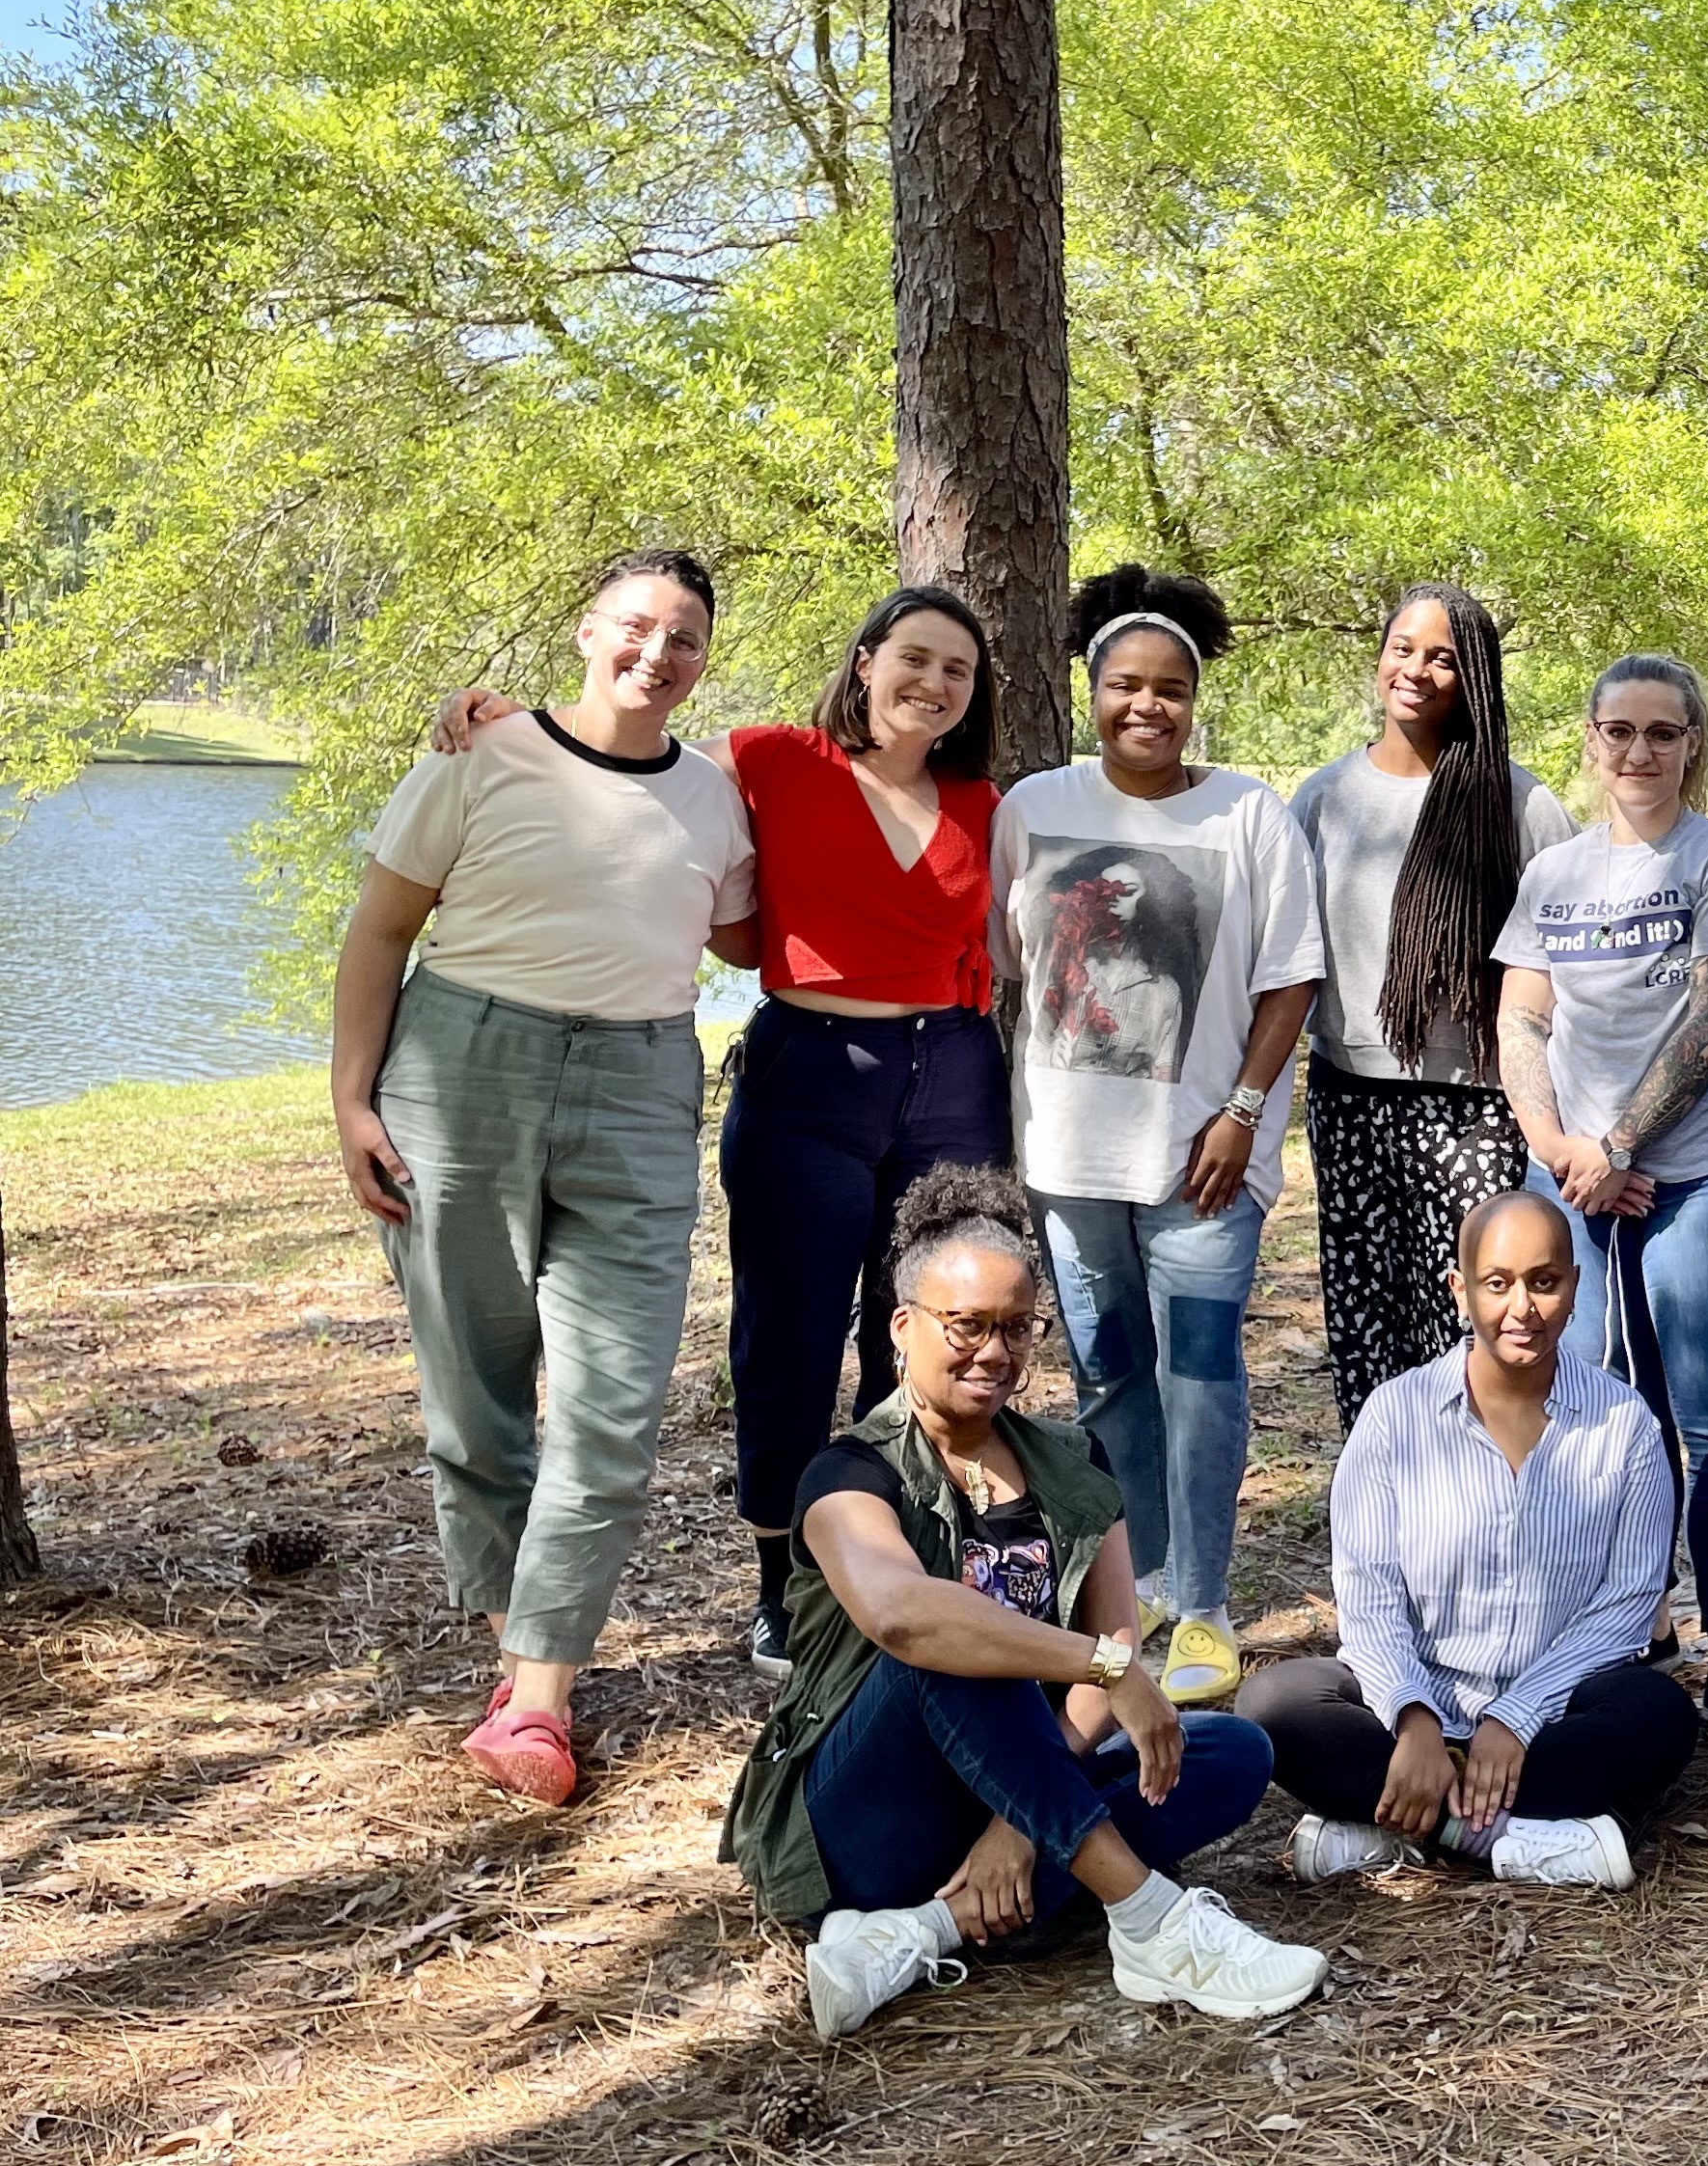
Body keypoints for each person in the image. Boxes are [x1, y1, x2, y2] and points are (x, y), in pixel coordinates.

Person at [425, 589, 1016, 1684]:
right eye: (914, 659)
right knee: (785, 1347)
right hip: (809, 1081)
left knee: (932, 1337)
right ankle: (786, 1591)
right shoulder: (769, 760)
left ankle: (905, 1567)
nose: (933, 685)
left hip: (955, 1082)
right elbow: (623, 758)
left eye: (958, 673)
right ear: (866, 658)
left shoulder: (986, 804)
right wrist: (504, 718)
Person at [332, 550, 758, 1805]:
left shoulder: (717, 798)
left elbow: (750, 924)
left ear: (702, 662)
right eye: (637, 626)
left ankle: (538, 1696)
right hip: (463, 1068)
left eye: (684, 637)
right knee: (475, 1391)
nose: (656, 653)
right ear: (588, 631)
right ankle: (513, 1647)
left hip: (639, 1088)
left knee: (615, 1410)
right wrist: (351, 1099)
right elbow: (380, 928)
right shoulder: (480, 756)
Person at [719, 1165, 1326, 2035]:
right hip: (861, 1813)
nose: (993, 1352)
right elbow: (907, 1617)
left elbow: (1113, 1625)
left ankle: (928, 1929)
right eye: (966, 1325)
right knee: (957, 1639)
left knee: (1230, 1750)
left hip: (1014, 1779)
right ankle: (1152, 1922)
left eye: (1015, 1327)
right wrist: (1104, 1665)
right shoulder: (848, 1473)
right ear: (902, 1326)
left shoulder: (1072, 1460)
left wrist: (1020, 1814)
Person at [995, 565, 1323, 1711]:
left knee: (1200, 1374)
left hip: (1201, 1156)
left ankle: (1206, 1607)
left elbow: (1292, 979)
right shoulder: (1032, 808)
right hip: (1070, 1156)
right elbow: (1007, 973)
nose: (1149, 706)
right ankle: (1130, 1597)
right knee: (1109, 1378)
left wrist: (1241, 1110)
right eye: (1126, 686)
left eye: (1170, 688)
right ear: (1093, 691)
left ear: (1196, 696)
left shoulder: (1247, 812)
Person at [1240, 1191, 1700, 1890]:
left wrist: (1515, 1718)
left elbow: (1628, 1604)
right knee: (1272, 1706)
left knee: (1660, 1717)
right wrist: (1416, 1720)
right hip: (1409, 1716)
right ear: (1460, 1291)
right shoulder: (1397, 1416)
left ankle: (1400, 1828)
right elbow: (1369, 1596)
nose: (1523, 1307)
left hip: (1553, 1716)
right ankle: (1510, 1838)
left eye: (1544, 1282)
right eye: (1498, 1283)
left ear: (1574, 1287)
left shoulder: (1624, 1425)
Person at [1497, 652, 1708, 1732]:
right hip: (1570, 1178)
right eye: (1619, 730)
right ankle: (1627, 1626)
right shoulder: (1556, 873)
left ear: (1693, 743)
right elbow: (1523, 1018)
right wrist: (1562, 1150)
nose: (1639, 752)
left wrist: (1618, 1141)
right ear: (1591, 739)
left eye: (1663, 732)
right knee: (1591, 1418)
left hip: (1700, 1175)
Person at [1292, 583, 1579, 1429]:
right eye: (1403, 648)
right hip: (1351, 1094)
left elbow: (1563, 968)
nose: (1417, 670)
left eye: (1443, 657)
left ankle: (1483, 1502)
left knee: (1475, 1321)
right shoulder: (1323, 798)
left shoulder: (1521, 805)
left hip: (1479, 1107)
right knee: (1366, 1320)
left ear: (1476, 678)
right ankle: (1386, 1497)